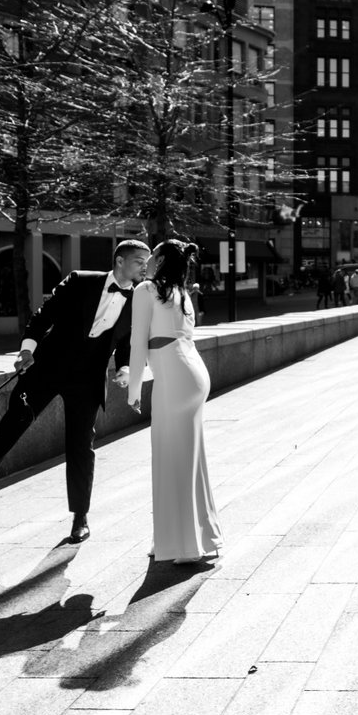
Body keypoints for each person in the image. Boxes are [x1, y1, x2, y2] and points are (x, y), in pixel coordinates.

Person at [0, 240, 152, 544]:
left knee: (81, 445)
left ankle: (80, 517)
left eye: (146, 261)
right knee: (14, 422)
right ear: (119, 261)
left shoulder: (139, 300)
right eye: (138, 261)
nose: (145, 266)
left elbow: (128, 341)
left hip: (87, 379)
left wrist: (125, 369)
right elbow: (42, 316)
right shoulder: (80, 280)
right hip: (48, 369)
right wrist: (27, 350)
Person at [127, 240, 223, 563]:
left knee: (170, 460)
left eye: (152, 254)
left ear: (162, 259)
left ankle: (183, 545)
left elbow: (137, 343)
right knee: (191, 461)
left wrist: (133, 390)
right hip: (195, 375)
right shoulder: (180, 294)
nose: (148, 259)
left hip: (174, 380)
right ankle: (190, 537)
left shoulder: (145, 291)